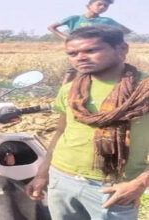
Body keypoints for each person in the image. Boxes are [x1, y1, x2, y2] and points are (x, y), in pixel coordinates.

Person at [25, 25, 149, 220]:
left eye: (91, 50)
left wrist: (140, 183)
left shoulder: (144, 90)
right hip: (62, 178)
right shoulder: (71, 89)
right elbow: (61, 132)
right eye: (72, 53)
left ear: (122, 49)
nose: (80, 57)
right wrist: (42, 174)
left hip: (114, 187)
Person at [48, 0, 131, 85]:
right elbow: (51, 27)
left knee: (96, 73)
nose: (102, 7)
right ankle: (63, 93)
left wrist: (111, 37)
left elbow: (126, 31)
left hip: (95, 51)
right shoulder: (74, 19)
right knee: (71, 72)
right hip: (78, 51)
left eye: (105, 6)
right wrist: (67, 38)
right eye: (99, 4)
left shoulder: (106, 21)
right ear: (89, 6)